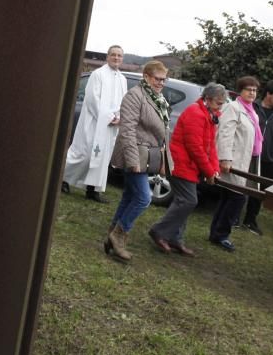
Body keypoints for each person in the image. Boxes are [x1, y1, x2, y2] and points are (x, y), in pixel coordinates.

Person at [104, 61, 172, 262]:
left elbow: (164, 133)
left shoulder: (158, 99)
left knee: (129, 196)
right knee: (143, 198)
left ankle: (112, 236)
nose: (161, 83)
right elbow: (127, 130)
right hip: (133, 154)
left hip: (148, 155)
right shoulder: (135, 96)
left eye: (163, 79)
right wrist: (133, 160)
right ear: (146, 77)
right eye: (157, 79)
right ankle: (119, 235)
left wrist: (165, 159)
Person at [148, 82, 227, 257]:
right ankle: (159, 231)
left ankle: (175, 238)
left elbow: (210, 147)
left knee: (183, 201)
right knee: (188, 201)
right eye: (218, 103)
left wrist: (214, 169)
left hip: (189, 165)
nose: (220, 106)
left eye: (222, 103)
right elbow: (195, 148)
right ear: (207, 99)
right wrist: (208, 171)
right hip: (180, 163)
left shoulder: (210, 115)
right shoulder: (196, 113)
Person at [62, 45, 128, 202]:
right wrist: (108, 117)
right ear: (107, 57)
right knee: (84, 154)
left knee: (103, 158)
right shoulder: (98, 75)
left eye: (119, 55)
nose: (116, 58)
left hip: (110, 126)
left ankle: (92, 190)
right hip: (93, 122)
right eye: (113, 55)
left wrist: (119, 117)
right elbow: (92, 99)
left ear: (122, 59)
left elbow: (124, 101)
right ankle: (62, 178)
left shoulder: (122, 79)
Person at [209, 77, 262, 252]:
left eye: (254, 90)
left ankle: (216, 233)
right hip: (233, 160)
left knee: (228, 197)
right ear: (240, 91)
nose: (252, 93)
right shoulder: (233, 108)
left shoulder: (251, 111)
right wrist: (225, 158)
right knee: (238, 198)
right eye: (248, 90)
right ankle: (221, 235)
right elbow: (225, 133)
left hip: (245, 160)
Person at [242, 79, 273, 235]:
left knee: (258, 193)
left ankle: (250, 221)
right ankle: (232, 218)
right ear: (268, 94)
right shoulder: (253, 108)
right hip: (248, 155)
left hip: (270, 161)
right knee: (239, 186)